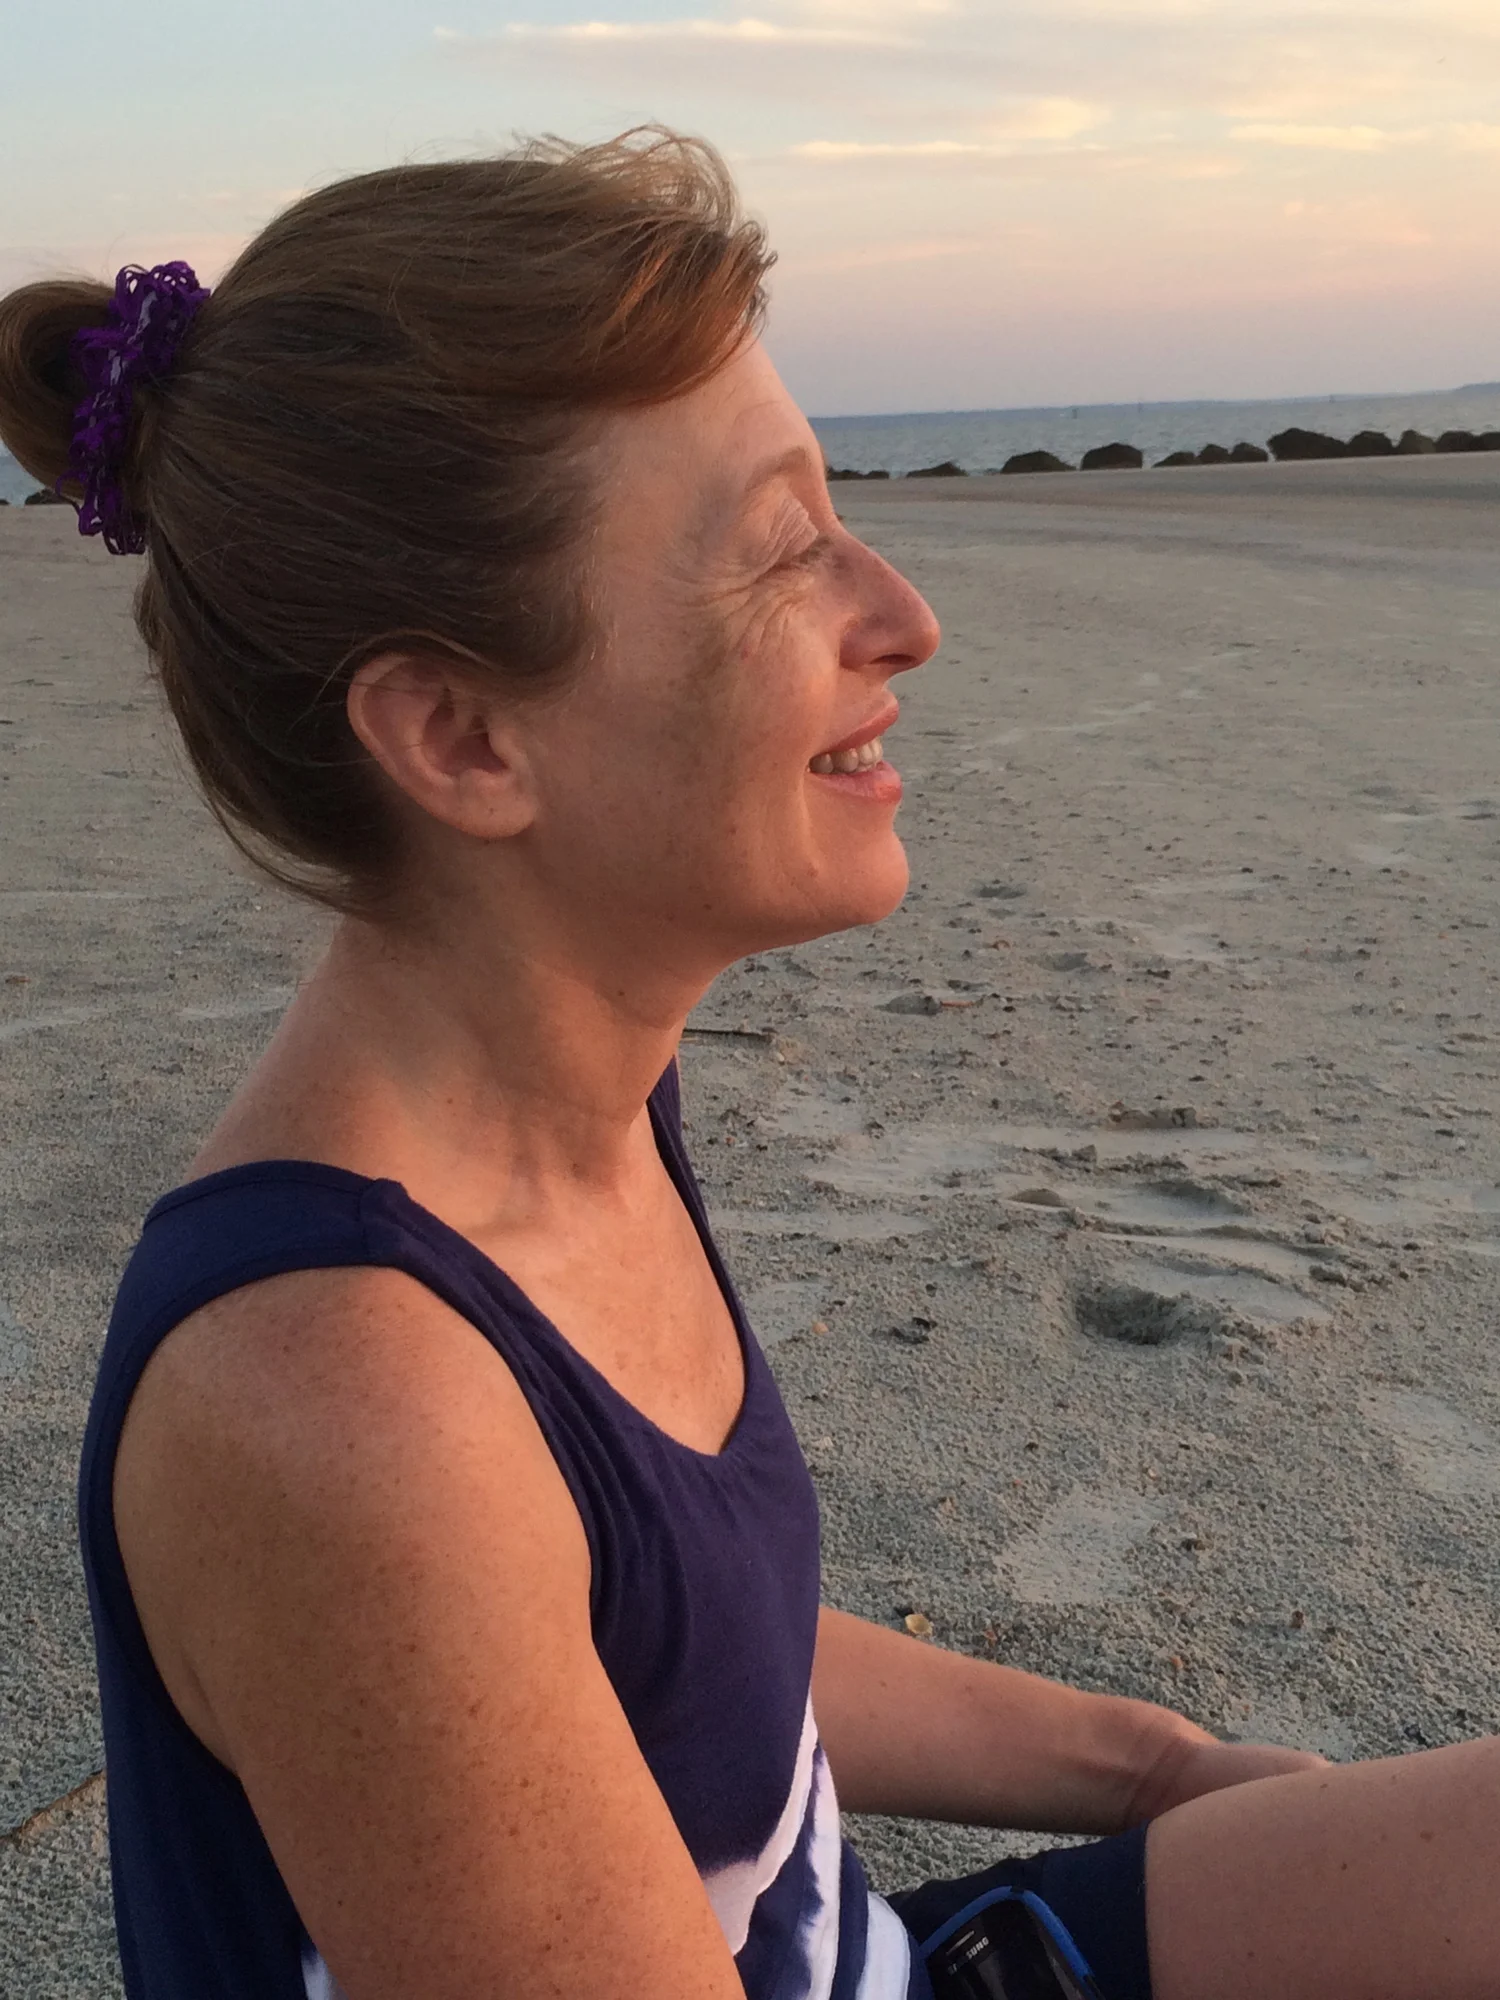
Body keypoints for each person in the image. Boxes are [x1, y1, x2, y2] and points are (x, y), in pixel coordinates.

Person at [0, 130, 1494, 2000]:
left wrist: (1158, 1771)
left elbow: (686, 1656)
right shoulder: (347, 1407)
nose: (904, 617)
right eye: (785, 548)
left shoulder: (571, 1111)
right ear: (461, 737)